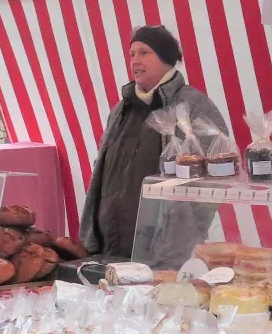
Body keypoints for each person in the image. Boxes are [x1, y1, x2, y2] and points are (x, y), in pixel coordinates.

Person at [79, 25, 229, 262]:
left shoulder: (194, 105)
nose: (135, 60)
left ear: (166, 59)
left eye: (144, 53)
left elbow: (213, 183)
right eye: (132, 54)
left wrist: (183, 236)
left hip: (165, 250)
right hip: (112, 243)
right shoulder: (120, 110)